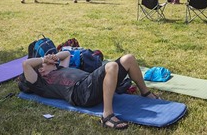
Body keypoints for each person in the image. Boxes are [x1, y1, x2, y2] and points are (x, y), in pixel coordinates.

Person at [20, 51, 160, 130]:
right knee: (111, 66)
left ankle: (145, 92)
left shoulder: (61, 68)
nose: (48, 61)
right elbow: (26, 64)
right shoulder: (41, 83)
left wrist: (55, 57)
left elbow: (67, 54)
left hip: (91, 85)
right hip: (80, 93)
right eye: (43, 64)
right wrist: (43, 58)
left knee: (128, 58)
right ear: (41, 70)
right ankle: (107, 115)